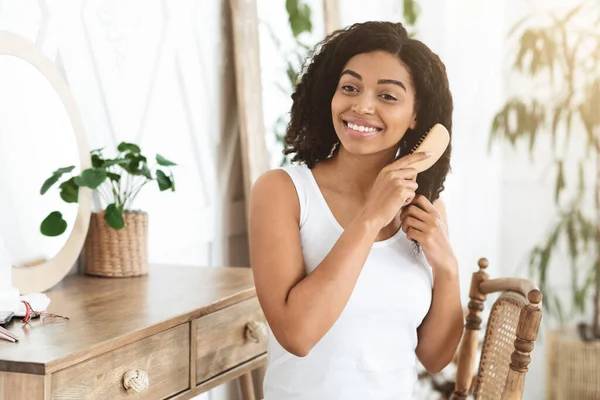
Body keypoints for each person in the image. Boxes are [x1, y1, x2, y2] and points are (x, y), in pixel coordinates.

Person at [249, 21, 464, 400]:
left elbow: (435, 358)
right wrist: (370, 219)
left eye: (388, 96)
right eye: (349, 88)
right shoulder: (283, 192)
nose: (362, 106)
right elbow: (298, 335)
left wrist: (447, 269)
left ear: (417, 116)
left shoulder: (427, 211)